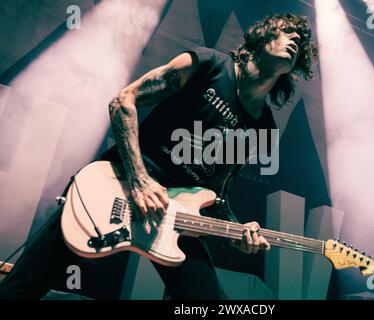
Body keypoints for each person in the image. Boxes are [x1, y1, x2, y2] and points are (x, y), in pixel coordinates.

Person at [0, 13, 318, 300]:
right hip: (118, 185)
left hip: (178, 215)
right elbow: (123, 102)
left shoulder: (262, 126)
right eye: (287, 32)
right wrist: (140, 182)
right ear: (262, 38)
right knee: (22, 288)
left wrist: (238, 228)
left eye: (300, 41)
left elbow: (217, 193)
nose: (295, 40)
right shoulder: (207, 65)